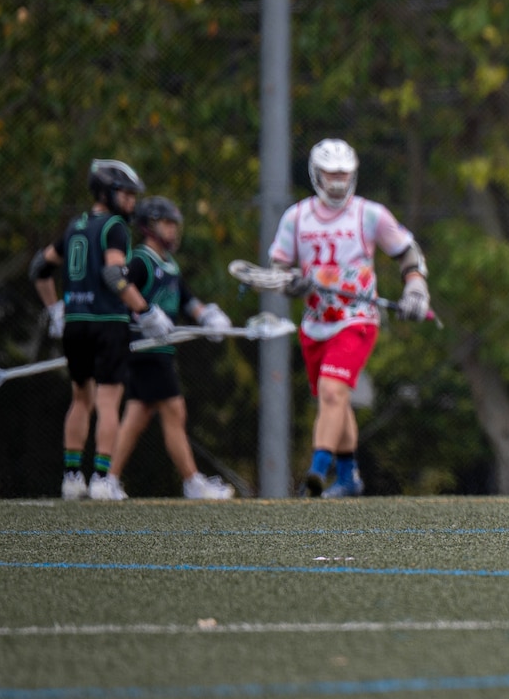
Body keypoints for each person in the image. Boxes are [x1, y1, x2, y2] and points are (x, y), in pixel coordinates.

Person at [268, 139, 432, 497]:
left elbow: (407, 252)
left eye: (344, 174)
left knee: (332, 391)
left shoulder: (369, 214)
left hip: (357, 319)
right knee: (335, 397)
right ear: (317, 175)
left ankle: (316, 473)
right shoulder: (296, 217)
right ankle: (347, 478)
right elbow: (278, 267)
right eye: (331, 174)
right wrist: (290, 282)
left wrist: (415, 288)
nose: (338, 181)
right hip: (316, 323)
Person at [30, 159, 160, 501]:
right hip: (108, 324)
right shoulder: (114, 227)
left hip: (75, 324)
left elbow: (39, 268)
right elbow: (114, 275)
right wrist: (145, 311)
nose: (131, 201)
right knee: (108, 400)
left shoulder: (75, 225)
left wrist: (56, 310)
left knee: (81, 398)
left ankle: (72, 478)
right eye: (126, 194)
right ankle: (102, 479)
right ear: (106, 193)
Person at [108, 196, 236, 499]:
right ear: (149, 226)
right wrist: (144, 313)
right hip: (146, 348)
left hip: (162, 350)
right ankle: (192, 481)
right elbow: (121, 289)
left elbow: (186, 299)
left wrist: (207, 316)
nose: (173, 230)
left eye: (174, 224)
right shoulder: (141, 260)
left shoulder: (170, 264)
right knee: (174, 410)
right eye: (166, 223)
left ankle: (109, 479)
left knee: (138, 414)